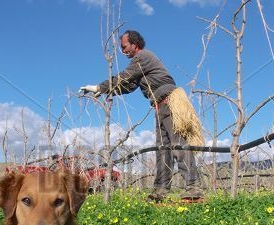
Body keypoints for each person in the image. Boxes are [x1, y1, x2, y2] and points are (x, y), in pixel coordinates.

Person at [80, 30, 203, 202]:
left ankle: (194, 188)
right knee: (163, 150)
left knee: (178, 145)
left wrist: (99, 87)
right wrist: (105, 91)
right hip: (160, 106)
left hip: (170, 102)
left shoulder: (142, 57)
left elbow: (125, 77)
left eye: (124, 47)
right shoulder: (140, 64)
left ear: (134, 44)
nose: (123, 52)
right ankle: (160, 190)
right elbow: (128, 86)